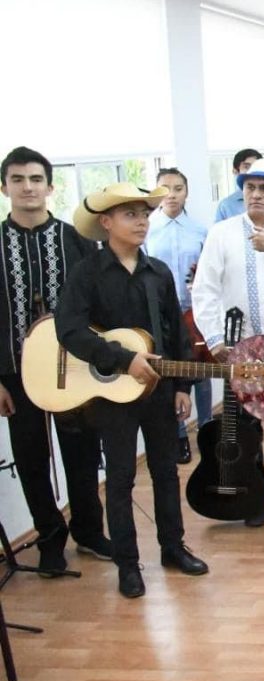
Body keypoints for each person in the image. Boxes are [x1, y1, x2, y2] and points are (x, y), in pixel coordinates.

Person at [57, 183, 208, 598]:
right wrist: (124, 360)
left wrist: (181, 387)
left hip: (159, 392)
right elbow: (69, 330)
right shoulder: (86, 274)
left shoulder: (158, 271)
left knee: (165, 473)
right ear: (106, 223)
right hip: (112, 397)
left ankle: (173, 548)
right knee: (121, 478)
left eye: (144, 214)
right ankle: (127, 564)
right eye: (130, 215)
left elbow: (176, 333)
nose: (142, 221)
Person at [0, 146, 110, 573]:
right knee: (29, 457)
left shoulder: (77, 241)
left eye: (35, 179)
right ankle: (49, 538)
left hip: (75, 368)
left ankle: (89, 531)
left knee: (81, 453)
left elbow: (98, 305)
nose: (28, 187)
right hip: (14, 370)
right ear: (5, 186)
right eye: (18, 179)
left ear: (49, 186)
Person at [192, 160, 264, 518]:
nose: (255, 194)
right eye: (250, 188)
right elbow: (205, 289)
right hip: (239, 344)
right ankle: (253, 495)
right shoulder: (222, 232)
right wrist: (214, 340)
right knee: (244, 425)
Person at [145, 167, 211, 464]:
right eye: (165, 188)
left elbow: (209, 272)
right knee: (172, 372)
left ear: (187, 192)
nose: (172, 194)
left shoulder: (200, 230)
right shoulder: (147, 229)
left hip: (194, 311)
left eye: (178, 188)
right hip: (160, 314)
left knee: (203, 371)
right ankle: (180, 435)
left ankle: (208, 431)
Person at [214, 148, 262, 222]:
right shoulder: (225, 206)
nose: (252, 171)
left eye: (256, 166)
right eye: (246, 167)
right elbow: (218, 233)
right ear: (235, 171)